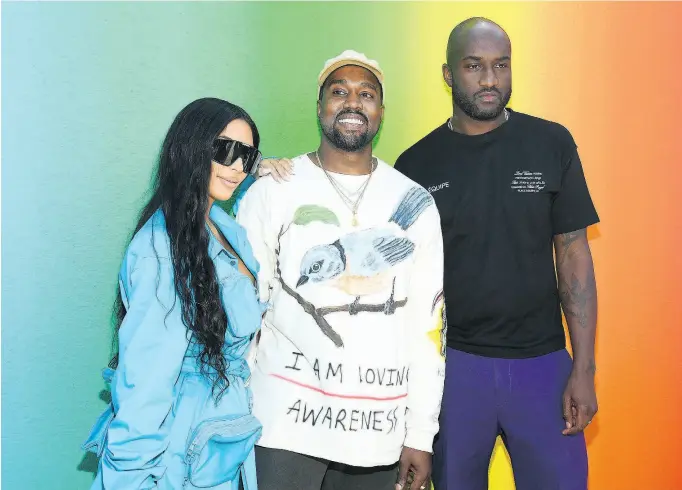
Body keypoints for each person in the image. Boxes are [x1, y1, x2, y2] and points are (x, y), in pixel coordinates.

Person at [394, 18, 599, 490]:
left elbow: (574, 256)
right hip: (455, 371)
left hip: (543, 366)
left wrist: (583, 368)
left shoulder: (551, 143)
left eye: (500, 66)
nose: (490, 80)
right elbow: (401, 286)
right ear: (448, 74)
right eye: (474, 66)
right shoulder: (415, 166)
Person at [235, 50, 445, 490]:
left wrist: (421, 434)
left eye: (366, 94)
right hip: (281, 428)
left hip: (377, 435)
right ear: (319, 107)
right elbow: (241, 311)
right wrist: (235, 411)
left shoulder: (418, 202)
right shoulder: (272, 192)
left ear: (381, 112)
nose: (353, 102)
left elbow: (427, 328)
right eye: (339, 92)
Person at [82, 97, 268, 490]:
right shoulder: (160, 249)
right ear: (191, 147)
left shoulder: (222, 226)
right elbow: (145, 385)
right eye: (225, 150)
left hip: (218, 444)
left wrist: (270, 168)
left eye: (247, 156)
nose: (237, 166)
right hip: (177, 456)